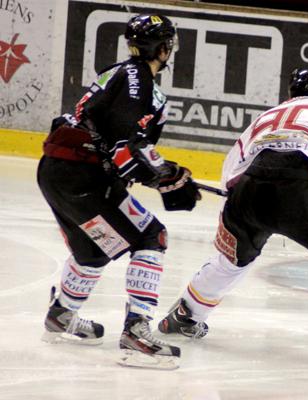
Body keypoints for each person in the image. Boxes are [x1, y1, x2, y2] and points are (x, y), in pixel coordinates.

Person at [158, 68, 308, 370]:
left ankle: (185, 314)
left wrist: (237, 200)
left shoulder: (268, 116)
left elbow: (233, 165)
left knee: (230, 261)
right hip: (300, 194)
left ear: (291, 94)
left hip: (247, 192)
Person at [37, 14, 200, 370]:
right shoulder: (137, 79)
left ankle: (62, 314)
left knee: (92, 251)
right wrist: (165, 177)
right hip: (83, 175)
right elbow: (124, 145)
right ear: (164, 47)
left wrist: (167, 175)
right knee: (151, 236)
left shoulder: (125, 74)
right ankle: (136, 331)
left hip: (62, 172)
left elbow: (126, 147)